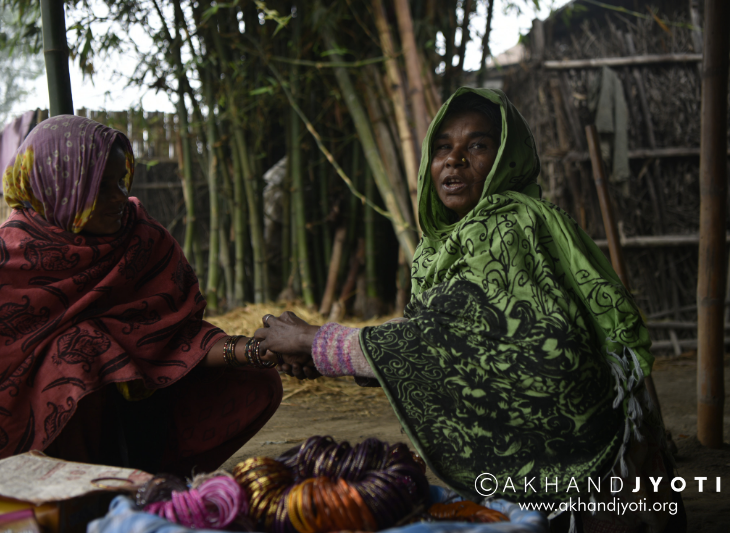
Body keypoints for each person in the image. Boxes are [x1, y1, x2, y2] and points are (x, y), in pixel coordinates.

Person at [255, 88, 682, 532]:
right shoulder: (445, 246)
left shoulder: (506, 223)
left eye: (476, 145)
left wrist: (313, 340)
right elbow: (441, 339)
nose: (454, 159)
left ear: (506, 159)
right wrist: (324, 356)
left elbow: (457, 339)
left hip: (582, 469)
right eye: (443, 147)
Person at [0, 115, 282, 476]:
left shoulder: (141, 237)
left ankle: (145, 482)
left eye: (120, 182)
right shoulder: (11, 258)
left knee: (255, 377)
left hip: (144, 423)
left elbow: (172, 343)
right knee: (79, 351)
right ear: (60, 188)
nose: (118, 198)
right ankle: (82, 495)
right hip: (47, 448)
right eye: (100, 187)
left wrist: (255, 350)